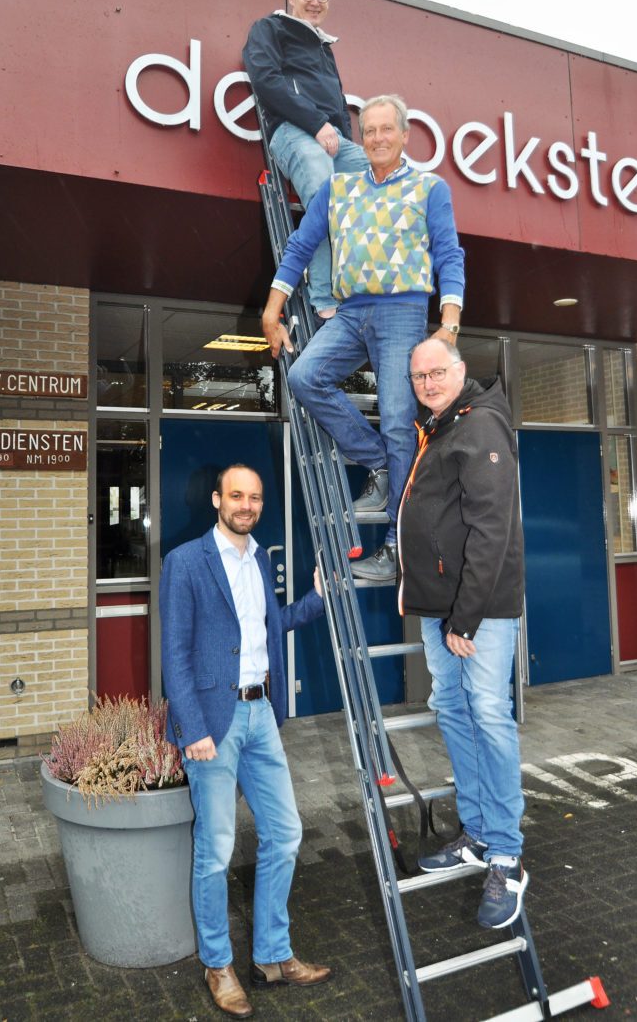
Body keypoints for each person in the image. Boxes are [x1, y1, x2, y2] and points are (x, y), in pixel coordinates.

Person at [261, 94, 465, 582]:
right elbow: (301, 244)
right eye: (368, 130)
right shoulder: (339, 189)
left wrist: (449, 322)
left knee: (399, 421)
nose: (375, 139)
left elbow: (449, 255)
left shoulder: (429, 187)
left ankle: (397, 548)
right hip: (351, 313)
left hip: (402, 311)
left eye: (385, 130)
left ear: (404, 134)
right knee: (305, 376)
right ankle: (376, 463)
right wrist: (272, 309)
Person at [159, 464, 330, 1019]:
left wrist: (317, 599)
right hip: (214, 720)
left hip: (261, 716)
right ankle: (218, 965)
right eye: (236, 495)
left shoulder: (260, 558)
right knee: (216, 851)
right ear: (216, 499)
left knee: (285, 833)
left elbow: (264, 627)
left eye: (254, 497)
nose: (246, 505)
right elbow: (176, 654)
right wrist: (193, 730)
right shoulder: (185, 562)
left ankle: (274, 955)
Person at [397, 337, 528, 930]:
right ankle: (476, 832)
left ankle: (505, 853)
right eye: (418, 375)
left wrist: (465, 617)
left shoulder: (480, 428)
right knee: (450, 706)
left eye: (436, 372)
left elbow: (491, 530)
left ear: (460, 371)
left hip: (478, 611)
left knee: (488, 714)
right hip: (439, 606)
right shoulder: (442, 427)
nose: (427, 382)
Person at [243, 0, 368, 319]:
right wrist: (316, 125)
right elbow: (266, 80)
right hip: (293, 131)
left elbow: (338, 104)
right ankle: (324, 295)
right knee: (324, 195)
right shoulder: (269, 28)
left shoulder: (324, 47)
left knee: (382, 186)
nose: (315, 2)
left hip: (333, 138)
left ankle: (364, 281)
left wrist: (342, 136)